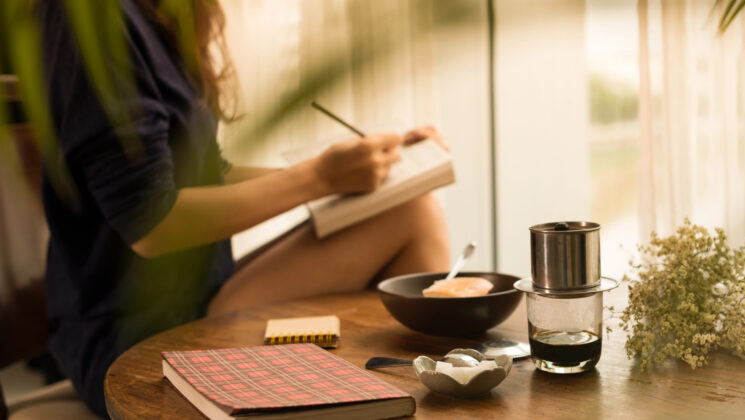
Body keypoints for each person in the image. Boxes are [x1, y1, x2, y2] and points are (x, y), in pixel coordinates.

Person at [37, 0, 450, 416]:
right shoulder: (91, 17)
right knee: (414, 217)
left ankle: (413, 391)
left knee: (410, 209)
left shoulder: (160, 13)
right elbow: (152, 222)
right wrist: (320, 178)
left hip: (199, 296)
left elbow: (207, 174)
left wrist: (366, 169)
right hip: (133, 335)